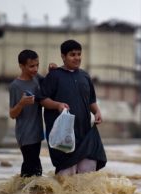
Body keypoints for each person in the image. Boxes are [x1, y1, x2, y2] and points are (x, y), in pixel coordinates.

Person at [40, 39, 106, 175]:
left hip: (85, 134)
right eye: (72, 54)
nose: (77, 58)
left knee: (87, 177)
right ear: (63, 57)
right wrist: (57, 105)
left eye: (79, 54)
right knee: (65, 178)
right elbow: (42, 99)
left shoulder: (85, 76)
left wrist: (97, 112)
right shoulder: (54, 76)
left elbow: (91, 101)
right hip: (63, 135)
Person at [9, 49, 44, 177]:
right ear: (21, 66)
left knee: (31, 168)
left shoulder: (37, 78)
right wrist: (22, 103)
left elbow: (51, 83)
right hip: (25, 135)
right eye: (31, 66)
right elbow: (12, 114)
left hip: (37, 133)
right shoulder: (15, 86)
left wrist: (53, 69)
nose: (35, 69)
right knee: (34, 168)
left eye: (37, 65)